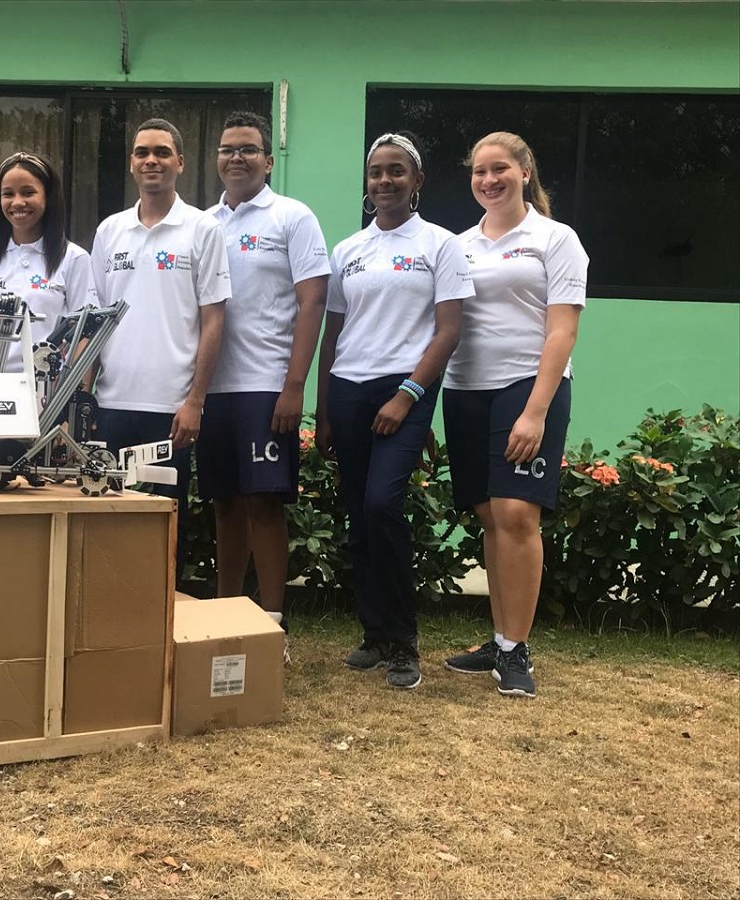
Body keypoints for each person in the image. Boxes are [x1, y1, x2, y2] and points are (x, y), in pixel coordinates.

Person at [315, 132, 469, 689]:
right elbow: (332, 336)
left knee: (383, 505)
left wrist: (407, 394)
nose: (385, 180)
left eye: (397, 171)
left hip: (405, 389)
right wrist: (324, 409)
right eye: (376, 171)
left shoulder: (440, 245)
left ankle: (404, 642)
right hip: (349, 389)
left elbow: (449, 332)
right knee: (359, 517)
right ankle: (374, 634)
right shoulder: (347, 251)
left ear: (417, 181)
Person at [442, 131, 589, 698]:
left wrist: (534, 412)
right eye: (479, 171)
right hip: (465, 389)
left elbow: (563, 330)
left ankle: (517, 648)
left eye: (499, 168)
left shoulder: (555, 238)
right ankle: (501, 641)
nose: (488, 180)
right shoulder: (458, 244)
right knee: (489, 517)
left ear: (525, 171)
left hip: (528, 387)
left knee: (516, 515)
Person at [201, 111, 329, 641]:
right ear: (216, 160)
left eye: (248, 149)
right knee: (225, 502)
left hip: (266, 383)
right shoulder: (204, 222)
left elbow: (314, 299)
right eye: (228, 149)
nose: (237, 157)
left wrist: (294, 384)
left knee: (264, 502)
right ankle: (227, 614)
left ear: (269, 160)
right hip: (212, 387)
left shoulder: (292, 218)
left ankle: (272, 623)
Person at [88, 118, 230, 574]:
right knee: (106, 518)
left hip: (170, 408)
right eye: (142, 152)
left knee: (166, 520)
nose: (152, 160)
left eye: (162, 152)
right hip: (111, 402)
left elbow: (214, 320)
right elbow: (94, 320)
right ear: (131, 164)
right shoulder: (109, 231)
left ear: (180, 163)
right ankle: (109, 620)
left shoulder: (202, 229)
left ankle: (161, 614)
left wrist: (195, 402)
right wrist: (85, 392)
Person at [0, 151, 97, 369]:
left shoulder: (74, 258)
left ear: (48, 197)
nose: (18, 202)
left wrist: (69, 393)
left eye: (28, 192)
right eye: (8, 194)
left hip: (45, 394)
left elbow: (85, 336)